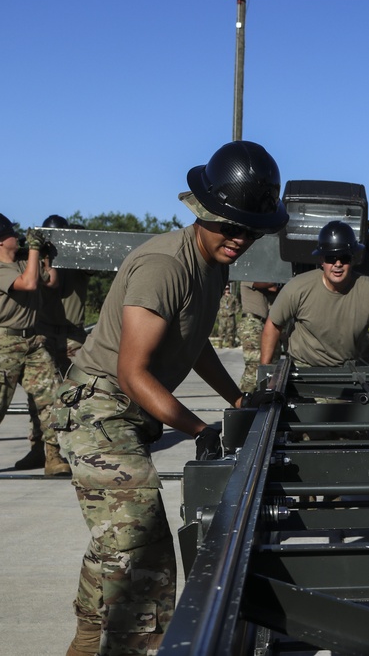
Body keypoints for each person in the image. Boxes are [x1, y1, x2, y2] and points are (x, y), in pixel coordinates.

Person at [52, 141, 288, 656]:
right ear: (203, 211)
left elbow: (193, 337)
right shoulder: (164, 266)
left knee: (120, 535)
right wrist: (201, 429)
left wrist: (237, 397)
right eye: (228, 225)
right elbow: (132, 372)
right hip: (97, 405)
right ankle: (122, 645)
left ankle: (89, 635)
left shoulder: (213, 264)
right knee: (142, 537)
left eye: (250, 229)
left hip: (126, 411)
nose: (238, 238)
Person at [0, 213, 69, 476]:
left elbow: (51, 281)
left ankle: (53, 457)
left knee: (52, 400)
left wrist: (45, 255)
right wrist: (35, 249)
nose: (18, 236)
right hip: (3, 345)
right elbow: (29, 282)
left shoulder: (25, 261)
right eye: (11, 233)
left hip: (33, 342)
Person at [261, 220, 369, 368]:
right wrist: (265, 368)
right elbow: (274, 324)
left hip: (347, 369)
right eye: (331, 258)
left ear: (353, 259)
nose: (337, 264)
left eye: (344, 258)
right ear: (321, 260)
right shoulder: (297, 288)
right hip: (304, 368)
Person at [17, 214, 93, 471]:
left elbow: (95, 262)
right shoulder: (38, 261)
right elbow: (48, 281)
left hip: (73, 335)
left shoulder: (78, 257)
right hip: (44, 335)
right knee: (40, 398)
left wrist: (76, 243)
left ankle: (84, 450)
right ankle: (41, 450)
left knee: (85, 395)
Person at [239, 281, 281, 392]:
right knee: (253, 365)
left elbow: (274, 289)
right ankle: (242, 400)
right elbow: (263, 283)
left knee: (271, 364)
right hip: (251, 322)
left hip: (265, 323)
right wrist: (278, 280)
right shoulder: (247, 276)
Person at [217, 283, 240, 348]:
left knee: (230, 331)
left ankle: (230, 344)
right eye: (226, 289)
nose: (227, 290)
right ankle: (220, 345)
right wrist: (219, 312)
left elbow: (237, 305)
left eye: (228, 288)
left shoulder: (233, 297)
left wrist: (235, 312)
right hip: (222, 316)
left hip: (230, 316)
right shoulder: (221, 297)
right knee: (221, 330)